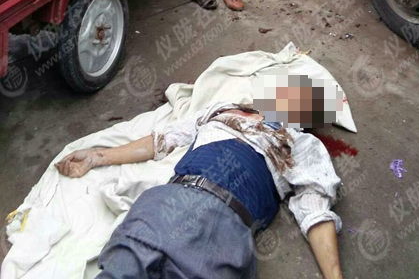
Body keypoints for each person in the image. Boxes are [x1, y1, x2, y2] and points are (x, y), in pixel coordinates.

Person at [55, 84, 344, 279]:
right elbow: (163, 141)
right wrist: (97, 156)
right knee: (120, 270)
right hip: (169, 203)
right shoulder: (222, 111)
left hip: (226, 227)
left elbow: (315, 212)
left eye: (309, 103)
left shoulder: (301, 144)